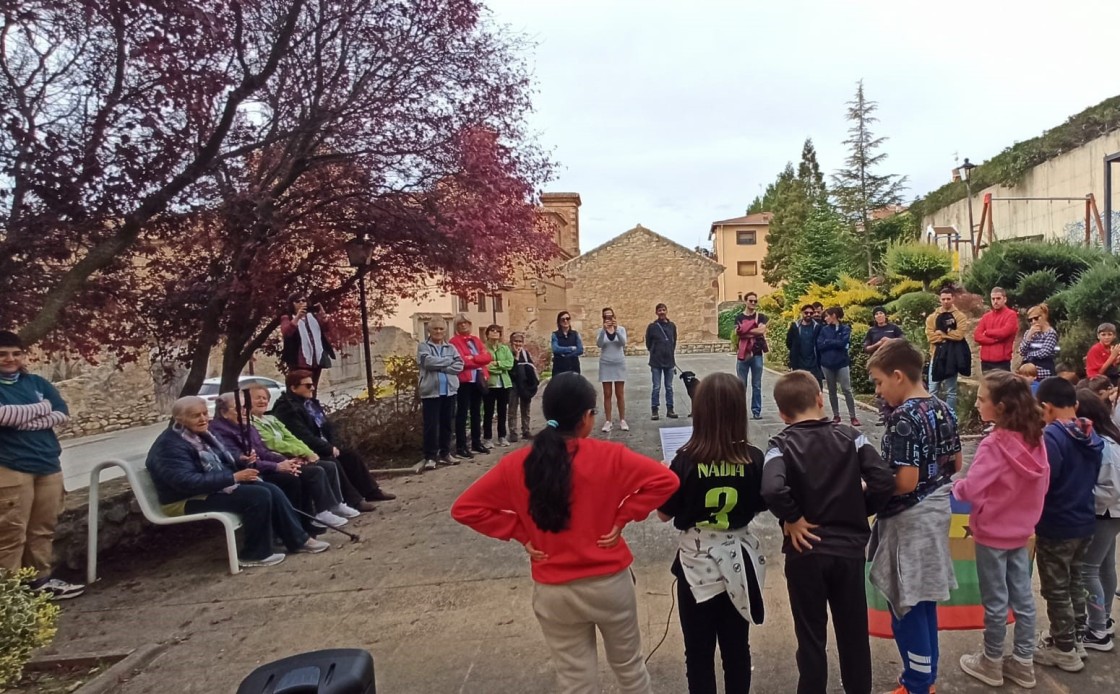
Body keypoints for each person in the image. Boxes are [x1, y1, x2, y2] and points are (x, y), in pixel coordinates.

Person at [451, 373, 679, 694]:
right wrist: (623, 516)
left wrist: (520, 533)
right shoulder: (610, 456)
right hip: (610, 584)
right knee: (630, 671)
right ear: (586, 418)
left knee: (575, 681)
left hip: (553, 589)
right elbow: (666, 481)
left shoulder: (517, 464)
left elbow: (465, 508)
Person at [762, 370, 894, 694]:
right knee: (853, 633)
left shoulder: (779, 444)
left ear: (782, 413)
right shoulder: (851, 436)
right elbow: (884, 480)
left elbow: (770, 489)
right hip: (848, 551)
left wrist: (792, 518)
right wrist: (859, 507)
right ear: (821, 399)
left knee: (810, 637)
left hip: (804, 551)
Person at [657, 373, 769, 693]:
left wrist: (664, 476)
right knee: (737, 651)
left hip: (696, 566)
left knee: (698, 654)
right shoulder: (754, 458)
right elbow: (762, 503)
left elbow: (664, 514)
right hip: (739, 564)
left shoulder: (684, 460)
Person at [867, 339, 962, 694]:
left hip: (909, 519)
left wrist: (868, 487)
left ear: (897, 376)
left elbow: (904, 482)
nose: (878, 391)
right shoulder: (942, 407)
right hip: (938, 508)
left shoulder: (904, 418)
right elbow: (956, 463)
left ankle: (917, 683)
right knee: (923, 600)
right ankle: (927, 677)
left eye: (879, 382)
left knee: (905, 604)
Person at [146, 396, 329, 567]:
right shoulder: (170, 445)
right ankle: (254, 554)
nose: (203, 419)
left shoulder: (197, 434)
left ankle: (298, 540)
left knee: (269, 488)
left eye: (204, 413)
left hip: (208, 489)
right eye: (196, 416)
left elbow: (221, 457)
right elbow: (185, 482)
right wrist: (233, 477)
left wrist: (241, 459)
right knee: (258, 495)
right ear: (179, 418)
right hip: (183, 499)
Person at [952, 371, 1048, 689]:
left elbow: (973, 489)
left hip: (991, 534)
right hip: (1021, 533)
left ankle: (991, 662)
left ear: (1001, 407)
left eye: (981, 399)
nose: (977, 403)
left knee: (995, 601)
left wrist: (956, 489)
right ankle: (1023, 663)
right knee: (1022, 598)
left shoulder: (994, 444)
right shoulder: (1037, 438)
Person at [0, 331, 84, 599]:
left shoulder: (36, 382)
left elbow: (61, 413)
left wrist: (20, 417)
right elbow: (3, 415)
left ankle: (39, 583)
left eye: (15, 353)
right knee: (11, 533)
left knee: (43, 529)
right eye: (2, 354)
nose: (10, 359)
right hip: (10, 466)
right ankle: (9, 596)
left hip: (47, 463)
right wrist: (41, 407)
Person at [1032, 376, 1103, 671]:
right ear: (1074, 404)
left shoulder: (1052, 437)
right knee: (1074, 581)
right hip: (1084, 520)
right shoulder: (1091, 433)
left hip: (1057, 523)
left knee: (1056, 588)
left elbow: (1045, 482)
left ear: (1046, 407)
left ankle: (1063, 649)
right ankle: (1074, 639)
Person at [209, 392, 355, 531]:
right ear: (224, 413)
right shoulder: (221, 431)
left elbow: (264, 450)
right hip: (247, 474)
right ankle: (300, 524)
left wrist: (287, 461)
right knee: (299, 476)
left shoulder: (249, 426)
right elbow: (241, 459)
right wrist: (278, 465)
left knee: (316, 467)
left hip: (266, 464)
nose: (244, 411)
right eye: (238, 408)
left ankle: (311, 519)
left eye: (245, 407)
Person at [272, 370, 395, 507]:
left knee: (350, 456)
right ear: (293, 388)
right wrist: (327, 448)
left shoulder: (309, 403)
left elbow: (325, 426)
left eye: (312, 384)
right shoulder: (287, 409)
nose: (312, 388)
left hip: (321, 445)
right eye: (307, 386)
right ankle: (353, 501)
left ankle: (371, 491)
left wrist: (334, 444)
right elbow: (303, 436)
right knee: (332, 463)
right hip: (306, 450)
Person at [245, 385, 354, 516]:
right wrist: (301, 454)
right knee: (315, 471)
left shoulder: (271, 419)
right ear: (247, 401)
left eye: (265, 398)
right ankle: (322, 512)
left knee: (330, 465)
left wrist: (308, 453)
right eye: (258, 398)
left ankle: (336, 504)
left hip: (294, 455)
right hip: (280, 459)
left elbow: (291, 438)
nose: (262, 401)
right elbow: (274, 444)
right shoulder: (251, 423)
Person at [1073, 389, 1120, 652]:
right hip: (1110, 513)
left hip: (1105, 513)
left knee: (1087, 569)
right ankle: (1104, 618)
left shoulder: (1104, 445)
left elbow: (1110, 489)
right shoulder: (1109, 438)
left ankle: (1098, 630)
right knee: (1104, 566)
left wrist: (1081, 496)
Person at [416, 318, 463, 470]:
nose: (438, 332)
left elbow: (460, 365)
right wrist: (448, 362)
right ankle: (430, 456)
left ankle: (445, 453)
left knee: (447, 424)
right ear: (429, 330)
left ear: (445, 331)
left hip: (449, 391)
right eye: (435, 329)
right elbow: (427, 363)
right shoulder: (423, 346)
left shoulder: (451, 347)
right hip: (431, 392)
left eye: (441, 329)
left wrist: (440, 365)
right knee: (431, 426)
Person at [450, 314, 493, 458]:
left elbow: (487, 357)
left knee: (476, 412)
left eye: (466, 323)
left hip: (478, 380)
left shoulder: (476, 340)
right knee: (462, 413)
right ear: (456, 326)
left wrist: (474, 358)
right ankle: (461, 446)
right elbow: (462, 361)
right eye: (460, 324)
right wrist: (478, 360)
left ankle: (476, 442)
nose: (463, 325)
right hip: (464, 381)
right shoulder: (454, 342)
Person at [925, 286, 970, 414]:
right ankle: (933, 416)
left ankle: (950, 416)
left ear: (953, 299)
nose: (946, 301)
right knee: (933, 389)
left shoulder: (960, 316)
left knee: (951, 391)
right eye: (943, 299)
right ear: (940, 299)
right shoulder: (932, 317)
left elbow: (959, 335)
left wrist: (943, 335)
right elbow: (930, 336)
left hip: (952, 357)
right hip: (936, 356)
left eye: (948, 299)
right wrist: (949, 336)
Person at [280, 294, 335, 391]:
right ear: (292, 304)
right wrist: (297, 317)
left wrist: (324, 318)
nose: (301, 303)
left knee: (312, 388)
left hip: (316, 359)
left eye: (303, 300)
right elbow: (287, 332)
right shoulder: (287, 317)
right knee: (301, 388)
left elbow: (326, 329)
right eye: (297, 301)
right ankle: (301, 405)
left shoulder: (312, 316)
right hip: (299, 361)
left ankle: (311, 405)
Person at [816, 306, 860, 427]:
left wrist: (829, 342)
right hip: (827, 363)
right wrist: (833, 342)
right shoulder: (824, 330)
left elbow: (843, 343)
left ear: (834, 315)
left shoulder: (845, 328)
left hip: (842, 363)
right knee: (832, 390)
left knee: (847, 389)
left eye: (827, 316)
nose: (825, 319)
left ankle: (853, 416)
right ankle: (836, 415)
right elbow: (820, 345)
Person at [864, 306, 903, 423]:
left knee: (894, 387)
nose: (879, 316)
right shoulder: (871, 331)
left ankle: (896, 413)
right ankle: (883, 414)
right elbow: (866, 348)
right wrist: (878, 344)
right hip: (877, 364)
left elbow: (903, 341)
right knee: (880, 389)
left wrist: (890, 341)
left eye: (881, 313)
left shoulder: (894, 328)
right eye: (876, 314)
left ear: (885, 315)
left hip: (893, 363)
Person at [733, 293, 769, 421]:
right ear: (746, 301)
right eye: (751, 301)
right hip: (743, 354)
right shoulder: (739, 317)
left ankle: (756, 411)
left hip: (757, 354)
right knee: (741, 385)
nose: (753, 303)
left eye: (755, 301)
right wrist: (752, 330)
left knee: (757, 384)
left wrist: (746, 331)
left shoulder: (761, 317)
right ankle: (740, 411)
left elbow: (761, 331)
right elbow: (738, 333)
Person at [596, 307, 629, 433]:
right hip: (606, 363)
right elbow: (599, 344)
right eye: (606, 317)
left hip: (619, 362)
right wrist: (604, 331)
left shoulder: (621, 329)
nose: (608, 319)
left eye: (610, 316)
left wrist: (616, 330)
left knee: (620, 393)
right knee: (607, 393)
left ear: (614, 317)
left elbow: (623, 342)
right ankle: (608, 421)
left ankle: (622, 419)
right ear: (603, 318)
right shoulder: (600, 331)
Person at [972, 287, 1019, 373]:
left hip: (1002, 362)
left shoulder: (1011, 315)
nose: (995, 301)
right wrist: (994, 340)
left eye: (998, 298)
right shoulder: (986, 316)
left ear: (1004, 299)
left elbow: (1004, 332)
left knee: (1002, 386)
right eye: (993, 299)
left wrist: (987, 333)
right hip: (986, 362)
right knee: (987, 386)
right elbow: (977, 336)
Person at [645, 303, 679, 421]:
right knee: (656, 387)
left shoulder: (672, 326)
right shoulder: (652, 327)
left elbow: (674, 341)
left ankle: (670, 409)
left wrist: (669, 352)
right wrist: (655, 351)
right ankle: (655, 410)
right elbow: (648, 343)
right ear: (656, 312)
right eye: (659, 310)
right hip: (656, 362)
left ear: (666, 311)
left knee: (669, 387)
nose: (662, 312)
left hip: (669, 361)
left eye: (663, 310)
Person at [483, 324, 514, 448]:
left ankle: (502, 436)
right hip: (490, 384)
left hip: (504, 384)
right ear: (487, 333)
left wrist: (497, 363)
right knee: (488, 412)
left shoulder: (505, 348)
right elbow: (485, 365)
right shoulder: (484, 348)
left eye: (498, 331)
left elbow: (510, 364)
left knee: (502, 412)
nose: (495, 333)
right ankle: (487, 438)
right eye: (492, 330)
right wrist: (499, 368)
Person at [507, 332, 539, 443]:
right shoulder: (508, 353)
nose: (518, 344)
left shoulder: (525, 354)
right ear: (511, 342)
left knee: (526, 409)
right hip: (513, 384)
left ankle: (526, 430)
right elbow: (511, 370)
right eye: (515, 341)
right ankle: (513, 432)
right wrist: (516, 357)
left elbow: (531, 368)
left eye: (520, 341)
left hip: (524, 384)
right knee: (512, 409)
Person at [1019, 304, 1060, 380]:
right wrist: (1029, 337)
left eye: (1036, 318)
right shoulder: (1029, 332)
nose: (1033, 322)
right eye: (1030, 320)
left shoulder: (1050, 333)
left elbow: (1044, 352)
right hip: (1029, 372)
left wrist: (1028, 355)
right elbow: (1021, 351)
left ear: (1043, 316)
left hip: (1044, 371)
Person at [786, 304, 823, 388]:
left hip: (814, 364)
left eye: (811, 313)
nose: (809, 315)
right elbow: (789, 342)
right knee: (799, 389)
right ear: (802, 313)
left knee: (816, 389)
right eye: (806, 313)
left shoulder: (817, 327)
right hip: (799, 363)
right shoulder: (795, 326)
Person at [551, 310, 584, 376]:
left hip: (573, 367)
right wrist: (571, 348)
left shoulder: (575, 334)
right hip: (559, 368)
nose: (565, 321)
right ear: (559, 322)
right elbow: (556, 349)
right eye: (563, 319)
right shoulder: (555, 335)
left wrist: (566, 356)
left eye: (567, 319)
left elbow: (580, 350)